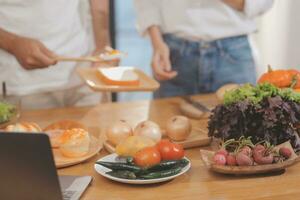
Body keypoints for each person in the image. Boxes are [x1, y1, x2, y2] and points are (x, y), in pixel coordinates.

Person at [134, 0, 274, 98]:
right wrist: (157, 43)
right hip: (174, 53)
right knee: (167, 134)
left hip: (233, 56)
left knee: (245, 134)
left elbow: (263, 3)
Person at [0, 0, 114, 109]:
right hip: (22, 86)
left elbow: (100, 6)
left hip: (86, 73)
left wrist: (102, 46)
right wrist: (11, 43)